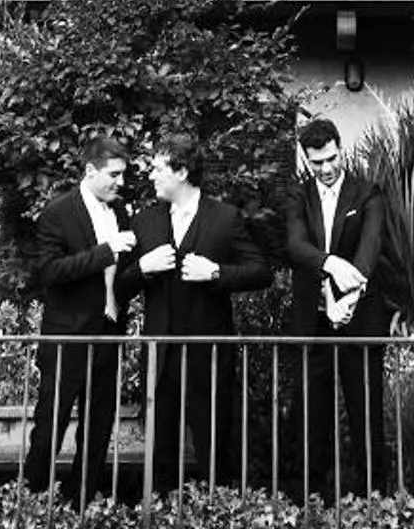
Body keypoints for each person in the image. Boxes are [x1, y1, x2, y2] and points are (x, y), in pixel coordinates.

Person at [119, 132, 271, 494]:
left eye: (157, 169)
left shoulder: (225, 218)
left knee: (214, 448)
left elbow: (261, 271)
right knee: (162, 453)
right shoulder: (144, 221)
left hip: (210, 355)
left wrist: (215, 272)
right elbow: (121, 287)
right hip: (160, 358)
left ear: (182, 171)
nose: (151, 176)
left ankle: (215, 525)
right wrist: (143, 267)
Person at [280, 117, 395, 499]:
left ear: (340, 149)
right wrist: (329, 263)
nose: (326, 169)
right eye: (317, 163)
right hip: (312, 323)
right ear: (306, 159)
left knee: (366, 417)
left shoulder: (368, 193)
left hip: (359, 321)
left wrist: (347, 299)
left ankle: (373, 505)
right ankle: (310, 507)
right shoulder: (298, 196)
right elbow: (295, 246)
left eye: (331, 159)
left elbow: (371, 247)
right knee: (310, 419)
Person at [22, 134, 136, 505]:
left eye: (123, 175)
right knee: (50, 424)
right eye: (114, 175)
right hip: (67, 335)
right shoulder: (58, 211)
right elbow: (49, 272)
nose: (120, 182)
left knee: (99, 424)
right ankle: (31, 499)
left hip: (108, 331)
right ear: (89, 171)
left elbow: (121, 275)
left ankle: (81, 501)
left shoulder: (119, 212)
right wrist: (106, 251)